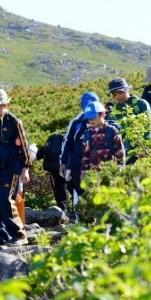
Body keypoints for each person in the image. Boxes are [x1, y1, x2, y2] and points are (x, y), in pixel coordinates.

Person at [0, 88, 31, 253]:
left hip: (13, 169)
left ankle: (19, 235)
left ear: (4, 105)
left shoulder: (14, 122)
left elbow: (24, 147)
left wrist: (25, 168)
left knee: (5, 199)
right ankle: (1, 239)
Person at [59, 92, 98, 221]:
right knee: (78, 191)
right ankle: (80, 220)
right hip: (77, 164)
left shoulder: (106, 120)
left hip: (98, 165)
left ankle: (97, 222)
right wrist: (63, 162)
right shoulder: (76, 122)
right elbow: (68, 142)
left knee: (96, 191)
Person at [105, 77, 151, 164]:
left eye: (120, 92)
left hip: (141, 150)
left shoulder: (140, 104)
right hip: (123, 153)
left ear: (126, 90)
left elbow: (149, 126)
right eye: (114, 94)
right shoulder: (114, 110)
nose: (117, 96)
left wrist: (144, 147)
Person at [79, 101, 125, 174]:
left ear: (102, 114)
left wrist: (120, 167)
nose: (91, 120)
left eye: (93, 117)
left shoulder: (111, 130)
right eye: (89, 118)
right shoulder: (87, 134)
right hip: (94, 174)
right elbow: (85, 154)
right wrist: (83, 171)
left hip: (111, 171)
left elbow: (119, 150)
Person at [36, 131, 71, 212]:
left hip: (54, 167)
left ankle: (62, 209)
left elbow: (41, 152)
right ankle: (77, 210)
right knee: (72, 188)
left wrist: (34, 156)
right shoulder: (71, 137)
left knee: (59, 186)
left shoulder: (53, 138)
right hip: (67, 166)